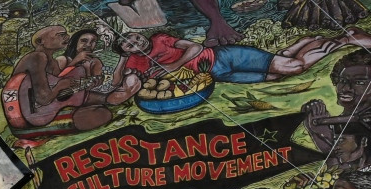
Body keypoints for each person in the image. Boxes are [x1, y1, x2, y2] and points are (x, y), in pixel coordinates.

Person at [112, 30, 371, 95]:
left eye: (135, 37)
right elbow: (118, 81)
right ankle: (307, 41)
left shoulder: (160, 39)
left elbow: (195, 47)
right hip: (220, 75)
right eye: (129, 44)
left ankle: (344, 39)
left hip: (224, 56)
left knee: (295, 67)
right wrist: (122, 61)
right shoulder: (137, 62)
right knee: (275, 76)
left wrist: (172, 67)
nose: (137, 43)